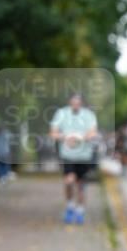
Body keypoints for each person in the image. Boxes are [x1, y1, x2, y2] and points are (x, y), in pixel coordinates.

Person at [49, 93, 99, 225]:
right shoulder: (62, 113)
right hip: (67, 155)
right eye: (73, 102)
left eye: (78, 102)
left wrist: (80, 138)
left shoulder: (88, 115)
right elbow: (53, 132)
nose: (75, 105)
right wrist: (65, 137)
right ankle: (70, 206)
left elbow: (93, 132)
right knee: (69, 181)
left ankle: (80, 209)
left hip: (83, 156)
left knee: (80, 185)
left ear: (81, 103)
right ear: (69, 102)